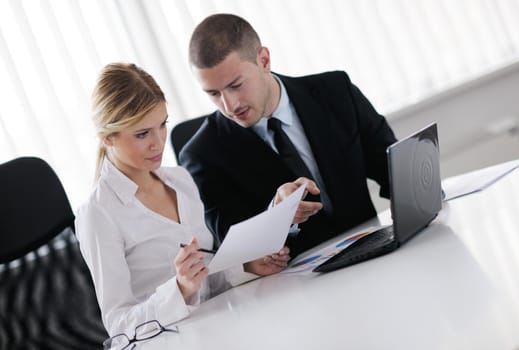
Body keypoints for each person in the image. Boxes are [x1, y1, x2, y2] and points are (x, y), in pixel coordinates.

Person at [75, 63, 292, 337]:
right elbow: (119, 326)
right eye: (142, 134)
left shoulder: (180, 180)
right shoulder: (98, 213)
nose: (158, 142)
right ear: (108, 138)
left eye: (162, 124)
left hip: (220, 328)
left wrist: (246, 267)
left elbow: (206, 282)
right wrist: (179, 289)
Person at [179, 13, 397, 258]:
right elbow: (229, 245)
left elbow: (392, 166)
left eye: (235, 85)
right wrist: (277, 216)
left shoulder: (336, 91)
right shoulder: (201, 155)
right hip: (296, 283)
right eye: (213, 94)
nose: (230, 106)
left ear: (264, 60)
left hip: (376, 252)